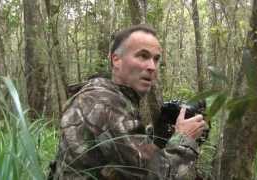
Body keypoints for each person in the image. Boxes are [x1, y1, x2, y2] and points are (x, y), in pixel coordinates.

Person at [50, 24, 206, 180]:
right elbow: (160, 175)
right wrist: (184, 137)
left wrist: (157, 136)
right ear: (116, 60)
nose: (152, 66)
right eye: (143, 56)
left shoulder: (105, 95)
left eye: (156, 59)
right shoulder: (104, 103)